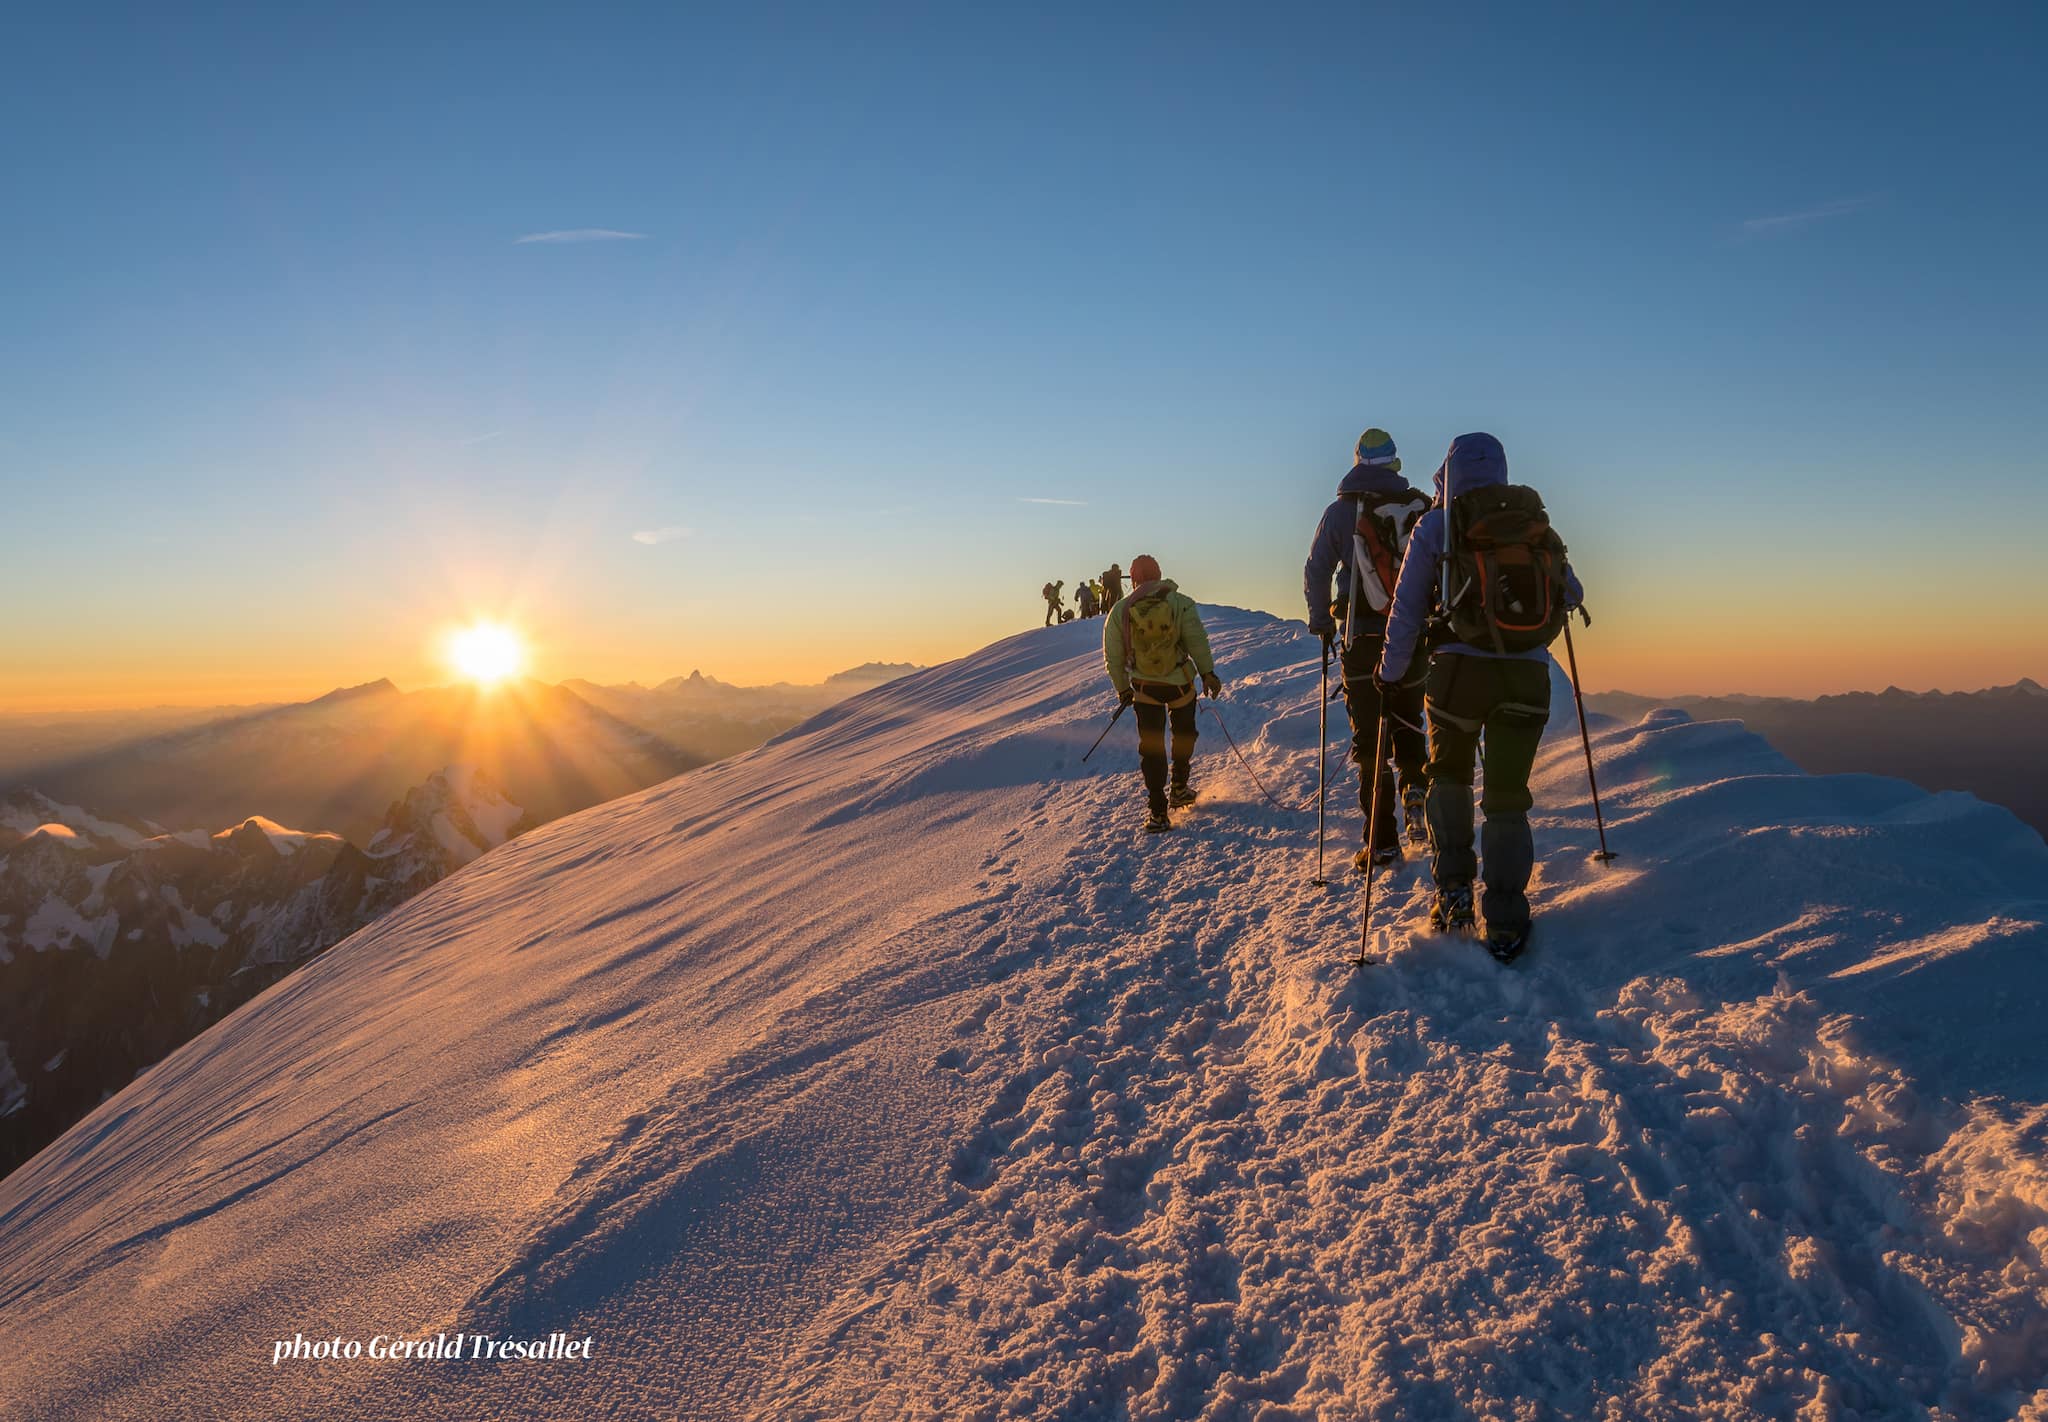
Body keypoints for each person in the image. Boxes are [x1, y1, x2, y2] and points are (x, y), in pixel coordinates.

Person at [1375, 432, 1583, 960]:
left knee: (1449, 776)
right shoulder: (1536, 525)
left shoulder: (1437, 526)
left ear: (1447, 472)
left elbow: (1404, 610)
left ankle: (1453, 894)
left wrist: (1390, 673)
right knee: (1508, 799)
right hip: (1527, 680)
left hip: (1457, 676)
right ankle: (1508, 919)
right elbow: (1574, 593)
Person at [1303, 429, 1434, 871]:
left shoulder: (1340, 513)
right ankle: (1415, 784)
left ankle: (1380, 842)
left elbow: (1316, 569)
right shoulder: (1419, 507)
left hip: (1361, 636)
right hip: (1412, 633)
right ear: (1395, 463)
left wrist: (1321, 621)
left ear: (1357, 461)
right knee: (1409, 716)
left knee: (1368, 737)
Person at [1103, 555, 1222, 833]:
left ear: (1133, 579)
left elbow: (1114, 656)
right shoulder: (1180, 603)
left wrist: (1122, 689)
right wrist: (1207, 673)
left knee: (1152, 747)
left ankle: (1158, 812)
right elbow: (1196, 641)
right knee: (1183, 734)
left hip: (1145, 688)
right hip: (1179, 684)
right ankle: (1180, 787)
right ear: (1159, 574)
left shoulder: (1121, 610)